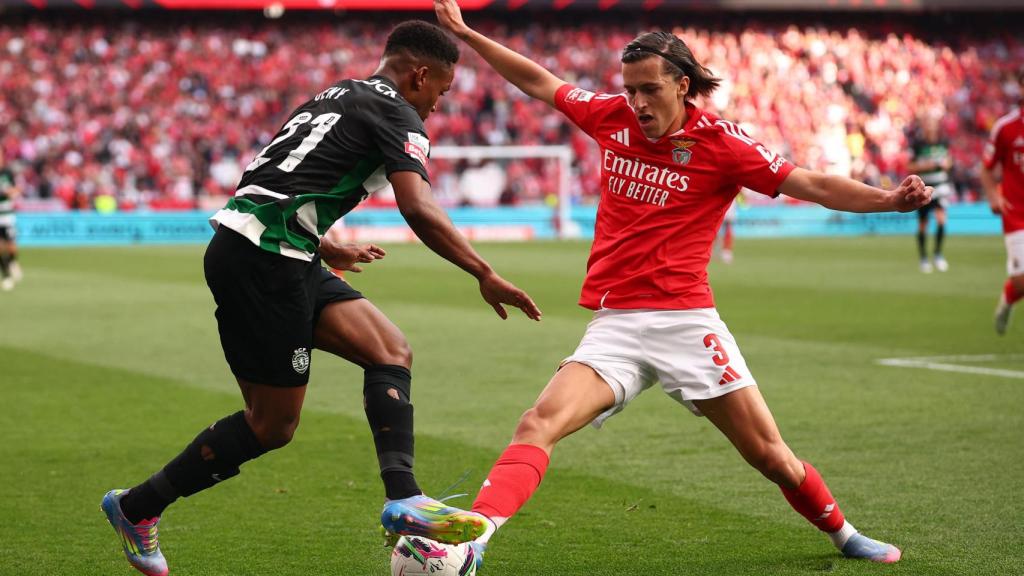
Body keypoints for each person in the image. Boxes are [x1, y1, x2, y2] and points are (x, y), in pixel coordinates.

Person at [406, 1, 934, 569]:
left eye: (649, 90)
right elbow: (540, 81)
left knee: (770, 456)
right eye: (629, 89)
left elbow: (808, 182)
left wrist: (886, 200)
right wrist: (467, 34)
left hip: (687, 322)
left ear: (682, 85)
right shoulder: (611, 116)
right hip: (616, 325)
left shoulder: (723, 143)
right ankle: (471, 539)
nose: (636, 103)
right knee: (538, 422)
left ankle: (845, 534)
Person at [101, 21, 541, 576]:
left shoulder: (335, 93)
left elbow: (274, 178)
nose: (437, 104)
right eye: (441, 91)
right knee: (271, 425)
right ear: (420, 75)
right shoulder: (400, 115)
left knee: (389, 348)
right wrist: (482, 271)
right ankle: (135, 508)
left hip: (284, 248)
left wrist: (326, 244)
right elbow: (418, 207)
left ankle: (404, 500)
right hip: (264, 261)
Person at [981, 68, 1024, 335]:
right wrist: (993, 195)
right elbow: (986, 167)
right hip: (1016, 211)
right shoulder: (1006, 128)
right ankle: (1008, 300)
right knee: (1021, 283)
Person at [907, 114, 955, 273]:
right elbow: (910, 165)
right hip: (924, 187)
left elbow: (949, 162)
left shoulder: (943, 142)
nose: (930, 127)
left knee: (941, 220)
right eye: (927, 124)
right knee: (923, 224)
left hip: (941, 187)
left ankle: (938, 254)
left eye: (932, 124)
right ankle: (923, 258)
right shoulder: (918, 144)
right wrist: (929, 165)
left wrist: (946, 164)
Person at [0, 149, 22, 291]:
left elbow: (17, 190)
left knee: (11, 246)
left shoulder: (7, 173)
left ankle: (13, 262)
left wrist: (9, 192)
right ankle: (6, 276)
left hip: (7, 215)